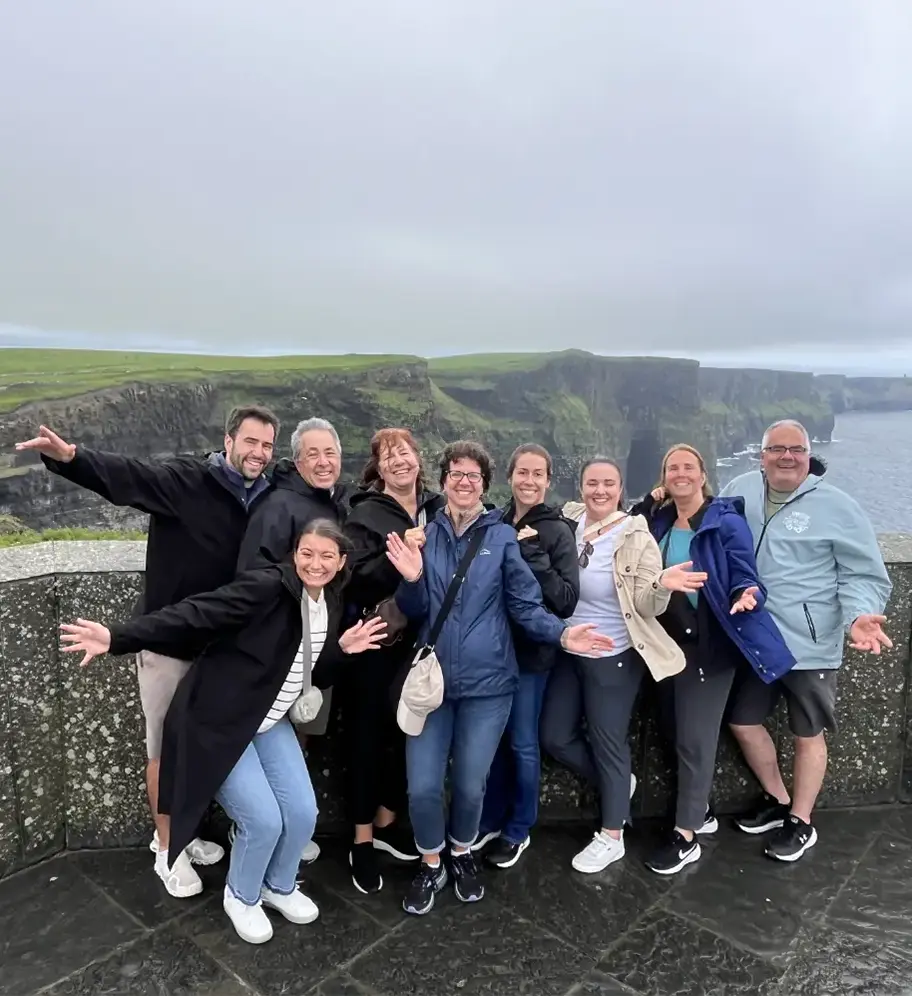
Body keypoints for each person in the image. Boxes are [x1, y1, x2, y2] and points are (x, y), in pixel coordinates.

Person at [59, 519, 388, 945]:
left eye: (327, 556)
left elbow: (306, 669)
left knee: (303, 813)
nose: (316, 563)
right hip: (219, 722)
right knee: (263, 820)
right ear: (294, 554)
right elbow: (197, 613)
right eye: (307, 552)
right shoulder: (267, 589)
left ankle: (279, 885)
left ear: (342, 562)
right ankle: (242, 895)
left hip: (267, 722)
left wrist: (342, 650)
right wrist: (118, 636)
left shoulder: (329, 600)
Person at [16, 407, 278, 898]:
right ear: (228, 440)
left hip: (220, 648)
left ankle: (188, 830)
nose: (258, 453)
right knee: (164, 747)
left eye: (266, 446)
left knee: (202, 746)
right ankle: (167, 848)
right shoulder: (187, 480)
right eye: (250, 442)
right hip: (167, 644)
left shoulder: (264, 494)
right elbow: (132, 477)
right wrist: (72, 458)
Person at [384, 440, 616, 916]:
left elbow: (525, 604)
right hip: (434, 685)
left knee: (471, 784)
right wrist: (410, 579)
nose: (464, 483)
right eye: (456, 474)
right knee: (424, 786)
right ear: (444, 481)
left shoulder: (503, 537)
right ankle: (432, 862)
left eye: (473, 476)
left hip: (490, 687)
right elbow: (413, 612)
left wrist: (563, 636)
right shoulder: (422, 536)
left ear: (485, 486)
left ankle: (462, 850)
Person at [720, 419, 892, 860]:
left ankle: (802, 821)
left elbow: (863, 573)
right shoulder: (740, 488)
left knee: (807, 733)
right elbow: (709, 527)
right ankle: (779, 801)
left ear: (808, 455)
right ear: (762, 455)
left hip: (809, 643)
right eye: (777, 448)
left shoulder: (837, 506)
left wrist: (857, 617)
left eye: (796, 449)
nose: (787, 457)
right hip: (757, 639)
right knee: (742, 720)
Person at [631, 445, 796, 875]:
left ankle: (686, 836)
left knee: (694, 740)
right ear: (663, 477)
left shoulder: (725, 520)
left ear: (703, 475)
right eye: (672, 468)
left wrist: (747, 594)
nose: (681, 474)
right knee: (670, 728)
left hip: (708, 646)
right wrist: (651, 499)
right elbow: (628, 525)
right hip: (666, 644)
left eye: (689, 467)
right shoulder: (661, 519)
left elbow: (746, 572)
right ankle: (698, 811)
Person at [539, 457, 702, 874]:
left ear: (620, 489)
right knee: (554, 736)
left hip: (612, 656)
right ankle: (617, 783)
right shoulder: (569, 521)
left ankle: (613, 834)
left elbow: (646, 604)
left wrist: (661, 585)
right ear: (580, 487)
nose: (599, 491)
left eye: (608, 484)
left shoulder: (635, 534)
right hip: (569, 650)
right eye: (592, 483)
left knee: (609, 742)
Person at [237, 415, 350, 851]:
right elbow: (253, 576)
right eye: (313, 454)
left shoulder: (329, 502)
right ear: (297, 460)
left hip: (314, 646)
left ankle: (291, 828)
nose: (323, 462)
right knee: (271, 736)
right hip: (282, 648)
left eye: (331, 453)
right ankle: (261, 828)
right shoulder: (280, 506)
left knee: (298, 730)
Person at [341, 428, 445, 893]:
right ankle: (361, 840)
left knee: (407, 732)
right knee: (365, 737)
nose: (399, 461)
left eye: (405, 452)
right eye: (388, 456)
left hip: (421, 646)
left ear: (419, 460)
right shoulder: (364, 515)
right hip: (376, 642)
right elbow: (356, 580)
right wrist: (402, 552)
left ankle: (385, 820)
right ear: (378, 468)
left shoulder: (438, 507)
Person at [475, 443, 580, 869]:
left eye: (538, 474)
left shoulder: (559, 531)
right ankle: (490, 819)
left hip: (533, 656)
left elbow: (566, 600)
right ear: (510, 476)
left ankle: (519, 827)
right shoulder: (496, 521)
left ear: (549, 480)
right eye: (523, 472)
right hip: (494, 650)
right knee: (495, 743)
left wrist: (532, 554)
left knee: (522, 742)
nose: (529, 481)